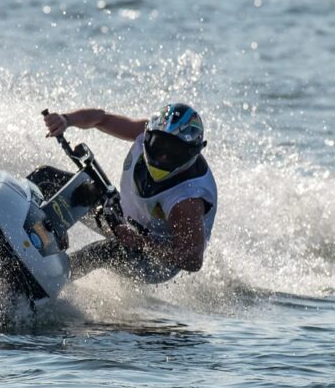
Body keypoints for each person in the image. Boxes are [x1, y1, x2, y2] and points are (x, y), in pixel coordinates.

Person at [29, 103, 217, 284]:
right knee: (45, 178)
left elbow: (192, 260)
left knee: (102, 252)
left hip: (155, 260)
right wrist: (66, 119)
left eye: (175, 151)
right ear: (148, 134)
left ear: (193, 153)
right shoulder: (143, 132)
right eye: (159, 145)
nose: (164, 157)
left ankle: (44, 283)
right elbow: (100, 119)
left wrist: (141, 242)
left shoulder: (187, 201)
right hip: (121, 218)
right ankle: (14, 220)